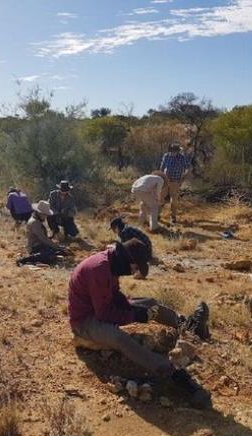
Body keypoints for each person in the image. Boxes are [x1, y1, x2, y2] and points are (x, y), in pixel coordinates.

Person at [68, 238, 212, 409]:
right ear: (126, 261)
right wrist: (136, 315)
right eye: (135, 267)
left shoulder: (111, 262)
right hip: (85, 321)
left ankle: (188, 325)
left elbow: (114, 295)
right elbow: (104, 314)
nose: (134, 272)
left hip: (100, 308)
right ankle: (173, 374)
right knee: (118, 338)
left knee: (150, 304)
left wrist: (139, 310)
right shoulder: (99, 269)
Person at [17, 200, 65, 266]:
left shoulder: (36, 220)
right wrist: (57, 247)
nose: (46, 217)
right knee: (49, 256)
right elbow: (43, 239)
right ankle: (24, 260)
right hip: (34, 247)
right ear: (39, 213)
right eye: (45, 214)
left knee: (54, 251)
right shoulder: (35, 222)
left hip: (40, 245)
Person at [160, 143, 190, 225]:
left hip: (174, 181)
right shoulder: (167, 156)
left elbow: (187, 168)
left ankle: (172, 217)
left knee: (173, 199)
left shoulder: (181, 157)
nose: (175, 152)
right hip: (167, 180)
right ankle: (158, 215)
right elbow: (161, 168)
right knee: (161, 198)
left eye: (176, 151)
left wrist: (182, 180)